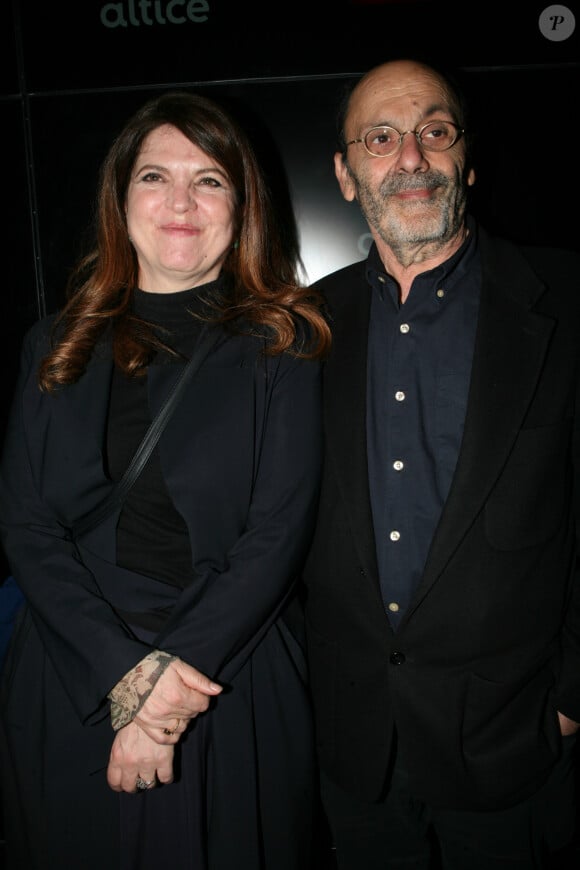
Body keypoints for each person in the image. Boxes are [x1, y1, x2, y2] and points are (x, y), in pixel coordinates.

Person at [0, 90, 331, 870]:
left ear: (241, 206)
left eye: (209, 179)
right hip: (72, 672)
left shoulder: (284, 345)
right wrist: (125, 677)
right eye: (155, 176)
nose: (181, 200)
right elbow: (26, 525)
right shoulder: (56, 343)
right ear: (121, 200)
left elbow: (278, 533)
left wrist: (165, 700)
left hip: (226, 682)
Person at [302, 57, 580, 869]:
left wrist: (569, 702)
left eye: (435, 131)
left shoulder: (565, 302)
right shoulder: (298, 330)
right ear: (347, 176)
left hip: (517, 751)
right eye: (380, 139)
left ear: (466, 158)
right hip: (354, 756)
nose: (411, 158)